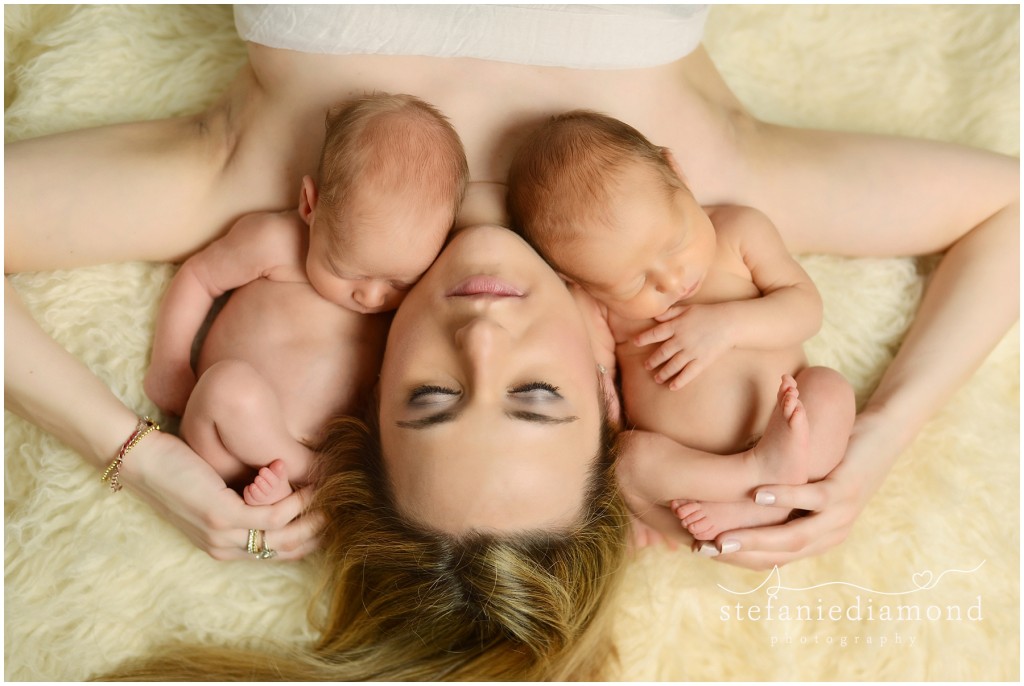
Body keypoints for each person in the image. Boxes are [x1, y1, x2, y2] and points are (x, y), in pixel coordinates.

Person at [3, 4, 1017, 679]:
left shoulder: (280, 197)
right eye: (537, 397)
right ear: (606, 395)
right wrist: (876, 444)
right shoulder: (690, 204)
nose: (481, 334)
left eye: (432, 401)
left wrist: (134, 454)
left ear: (368, 396)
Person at [508, 109, 856, 542]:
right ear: (579, 282)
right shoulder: (596, 303)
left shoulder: (738, 231)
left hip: (789, 428)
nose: (672, 281)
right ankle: (749, 485)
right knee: (627, 462)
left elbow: (805, 309)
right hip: (696, 478)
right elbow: (595, 377)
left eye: (675, 245)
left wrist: (728, 325)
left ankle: (763, 499)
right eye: (636, 281)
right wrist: (609, 416)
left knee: (829, 389)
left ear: (676, 173)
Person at [143, 92, 468, 505]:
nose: (370, 296)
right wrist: (169, 363)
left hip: (315, 466)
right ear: (310, 206)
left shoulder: (411, 298)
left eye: (398, 282)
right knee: (229, 388)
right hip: (219, 441)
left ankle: (285, 487)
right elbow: (199, 277)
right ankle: (295, 468)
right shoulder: (274, 243)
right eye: (347, 270)